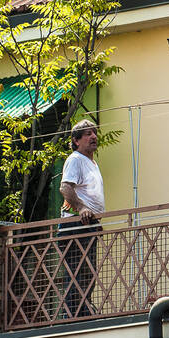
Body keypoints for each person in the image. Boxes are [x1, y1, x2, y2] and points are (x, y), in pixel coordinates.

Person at [58, 119, 104, 319]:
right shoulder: (76, 159)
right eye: (87, 134)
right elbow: (65, 187)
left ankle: (82, 311)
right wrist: (82, 207)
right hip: (76, 224)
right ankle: (72, 316)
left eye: (94, 132)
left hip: (88, 224)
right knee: (77, 272)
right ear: (76, 141)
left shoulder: (92, 162)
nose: (93, 136)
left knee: (87, 273)